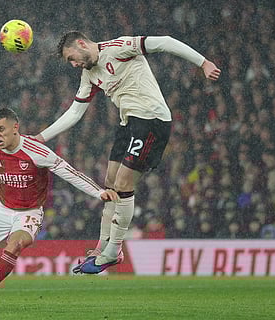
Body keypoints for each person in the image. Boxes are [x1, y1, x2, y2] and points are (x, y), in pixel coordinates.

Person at [34, 31, 221, 274]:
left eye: (72, 57)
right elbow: (75, 112)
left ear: (81, 44)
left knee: (123, 183)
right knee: (109, 185)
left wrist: (203, 62)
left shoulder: (119, 47)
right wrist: (40, 137)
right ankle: (103, 246)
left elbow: (164, 42)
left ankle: (115, 251)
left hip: (151, 119)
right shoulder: (88, 75)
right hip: (129, 122)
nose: (73, 64)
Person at [0, 107, 118, 309]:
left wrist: (98, 192)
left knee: (15, 245)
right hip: (0, 209)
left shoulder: (37, 152)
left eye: (1, 129)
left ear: (15, 127)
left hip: (29, 212)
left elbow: (69, 172)